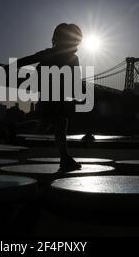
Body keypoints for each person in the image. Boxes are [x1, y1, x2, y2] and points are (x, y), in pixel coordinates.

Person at [16, 23, 83, 171]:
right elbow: (29, 59)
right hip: (49, 90)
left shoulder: (73, 58)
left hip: (58, 93)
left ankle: (13, 128)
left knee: (47, 123)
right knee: (59, 122)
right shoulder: (52, 53)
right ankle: (65, 157)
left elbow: (75, 78)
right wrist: (10, 67)